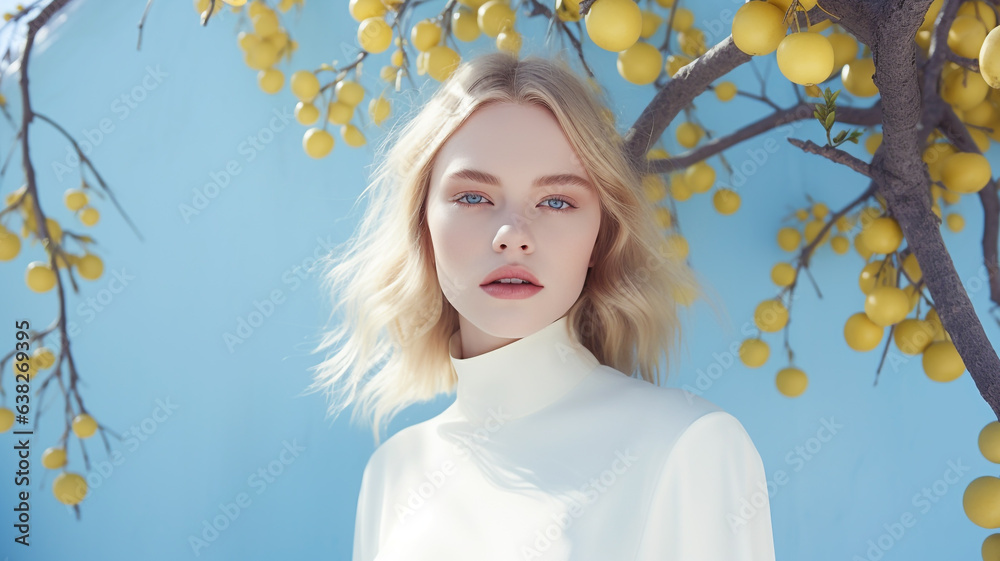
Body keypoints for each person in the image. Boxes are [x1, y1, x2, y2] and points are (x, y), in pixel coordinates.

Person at [308, 49, 776, 560]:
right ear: (423, 225)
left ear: (600, 239)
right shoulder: (393, 471)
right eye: (472, 197)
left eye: (556, 201)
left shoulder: (688, 446)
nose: (513, 236)